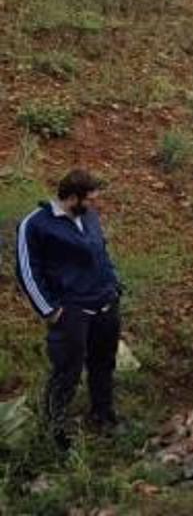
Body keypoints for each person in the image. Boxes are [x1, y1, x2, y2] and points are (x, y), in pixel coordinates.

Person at [15, 169, 123, 449]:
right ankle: (56, 430)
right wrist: (49, 310)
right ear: (72, 197)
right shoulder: (35, 224)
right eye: (89, 199)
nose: (94, 205)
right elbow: (27, 271)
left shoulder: (88, 216)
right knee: (67, 370)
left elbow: (102, 250)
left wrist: (114, 283)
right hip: (70, 310)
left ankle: (103, 415)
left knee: (103, 363)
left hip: (105, 302)